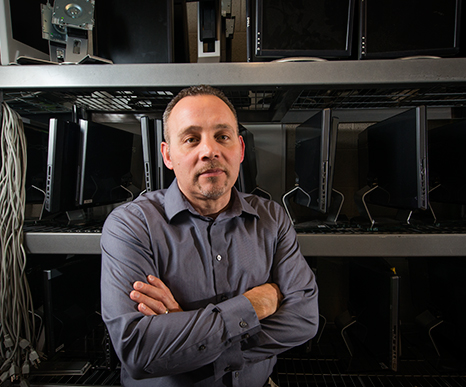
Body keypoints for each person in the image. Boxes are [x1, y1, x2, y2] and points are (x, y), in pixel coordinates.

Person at [101, 85, 319, 387]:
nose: (210, 151)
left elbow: (304, 319)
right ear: (167, 154)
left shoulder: (272, 218)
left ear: (240, 149)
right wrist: (252, 306)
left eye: (222, 136)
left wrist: (183, 332)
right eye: (191, 139)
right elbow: (138, 350)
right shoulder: (131, 226)